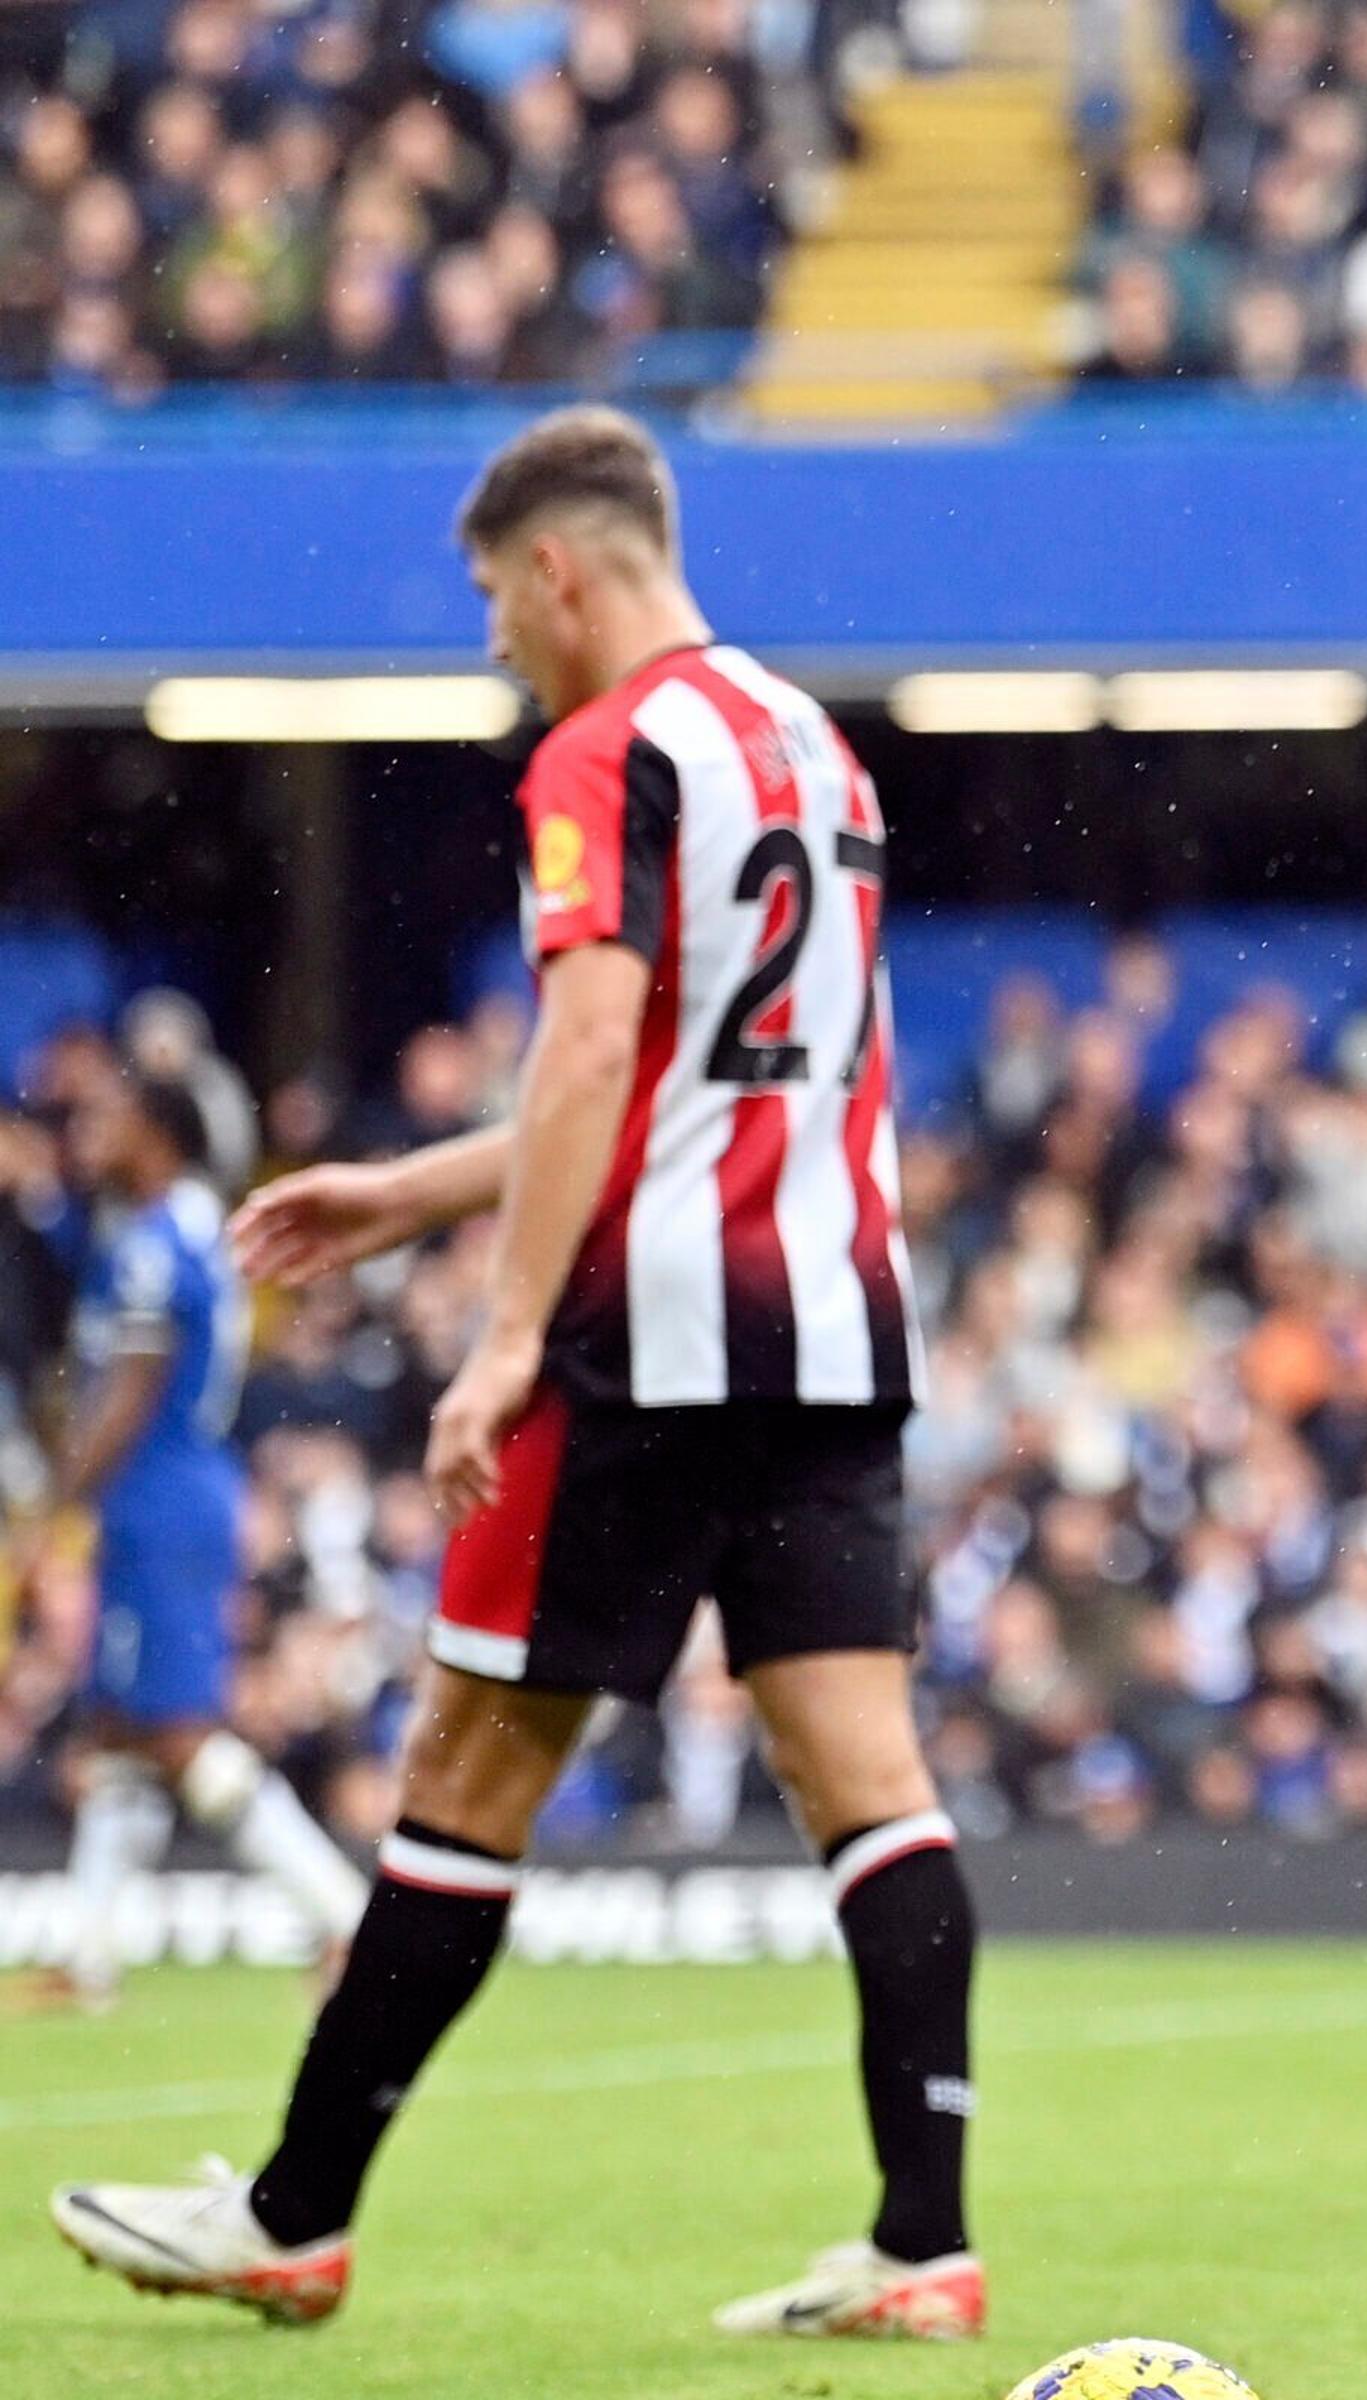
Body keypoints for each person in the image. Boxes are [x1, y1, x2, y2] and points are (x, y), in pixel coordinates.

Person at [51, 406, 973, 2341]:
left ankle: (292, 2216)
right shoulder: (813, 749)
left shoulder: (605, 749)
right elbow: (715, 1075)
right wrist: (409, 1188)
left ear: (560, 568)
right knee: (870, 1785)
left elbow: (587, 1053)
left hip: (642, 1339)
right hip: (831, 1324)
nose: (491, 637)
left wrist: (492, 1342)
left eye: (491, 595)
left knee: (467, 1774)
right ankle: (923, 2244)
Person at [20, 1066, 365, 2012]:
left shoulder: (151, 1244)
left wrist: (59, 1505)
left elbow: (128, 1391)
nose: (93, 1129)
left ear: (161, 1134)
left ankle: (344, 1918)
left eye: (114, 1115)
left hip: (156, 1494)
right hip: (184, 1488)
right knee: (121, 1731)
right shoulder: (184, 1230)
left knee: (175, 1732)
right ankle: (88, 1962)